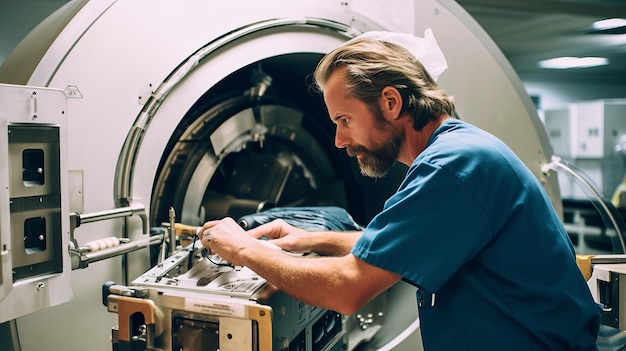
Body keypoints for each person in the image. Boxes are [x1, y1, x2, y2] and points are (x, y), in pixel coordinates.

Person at [198, 29, 600, 350]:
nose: (338, 140)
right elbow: (402, 248)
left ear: (390, 102)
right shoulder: (460, 152)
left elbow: (348, 288)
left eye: (344, 119)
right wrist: (311, 238)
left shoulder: (452, 167)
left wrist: (242, 249)